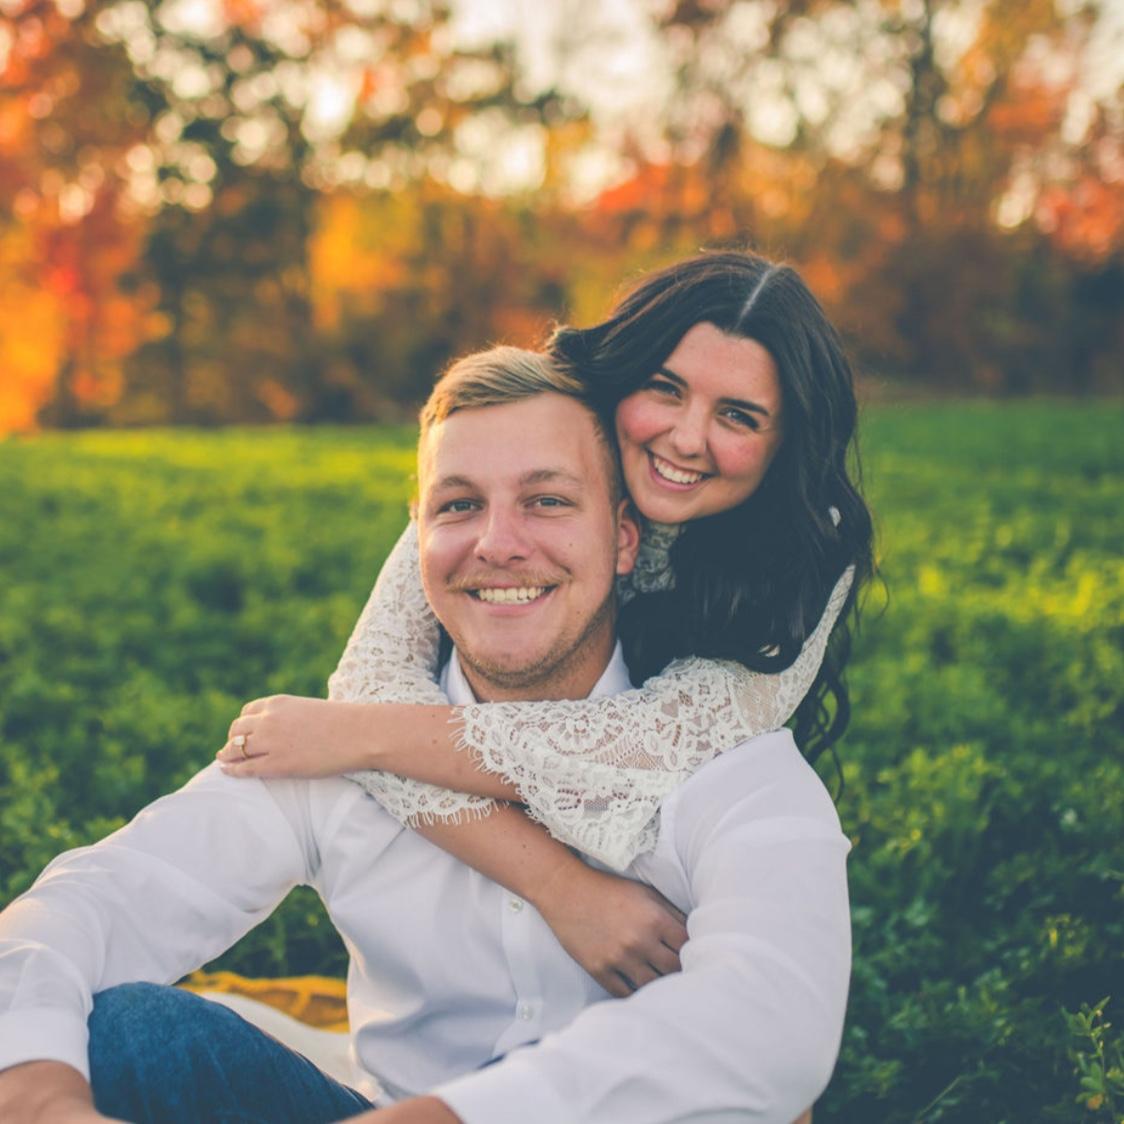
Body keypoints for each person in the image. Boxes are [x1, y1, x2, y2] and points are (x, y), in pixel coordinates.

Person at [0, 347, 851, 1123]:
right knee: (129, 1034)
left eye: (547, 501)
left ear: (624, 539)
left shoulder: (725, 769)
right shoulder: (338, 750)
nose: (498, 544)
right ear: (418, 540)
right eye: (459, 505)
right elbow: (95, 899)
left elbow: (772, 1021)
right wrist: (36, 1094)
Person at [214, 251, 874, 997]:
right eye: (665, 388)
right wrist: (561, 888)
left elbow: (645, 749)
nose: (687, 439)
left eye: (737, 416)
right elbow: (371, 680)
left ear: (787, 442)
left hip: (674, 844)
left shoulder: (808, 549)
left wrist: (358, 738)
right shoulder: (539, 445)